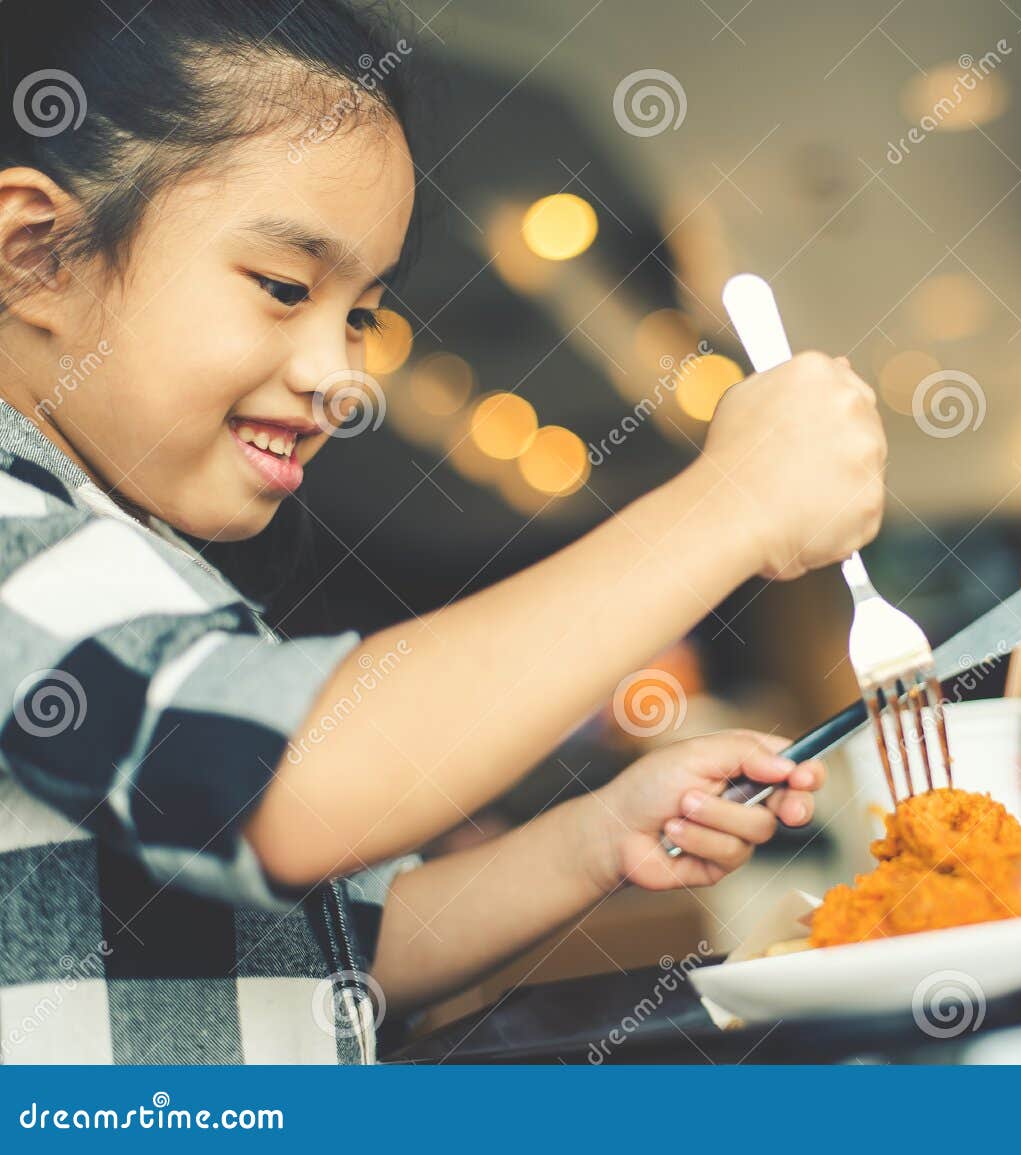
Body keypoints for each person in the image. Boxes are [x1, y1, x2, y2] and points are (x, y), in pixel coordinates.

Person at [0, 0, 885, 1064]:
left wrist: (597, 836)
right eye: (286, 287)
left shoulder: (138, 567)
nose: (342, 378)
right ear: (37, 255)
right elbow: (289, 795)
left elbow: (327, 956)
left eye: (361, 314)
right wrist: (730, 503)